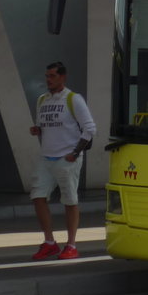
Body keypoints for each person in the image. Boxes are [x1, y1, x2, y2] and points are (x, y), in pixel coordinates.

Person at [29, 61, 96, 261]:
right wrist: (37, 130)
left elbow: (90, 129)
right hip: (46, 157)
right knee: (38, 196)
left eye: (52, 76)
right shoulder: (42, 100)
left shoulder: (73, 99)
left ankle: (71, 244)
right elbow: (45, 126)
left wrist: (75, 153)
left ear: (62, 77)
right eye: (47, 76)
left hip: (67, 157)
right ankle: (49, 242)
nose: (48, 80)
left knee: (69, 200)